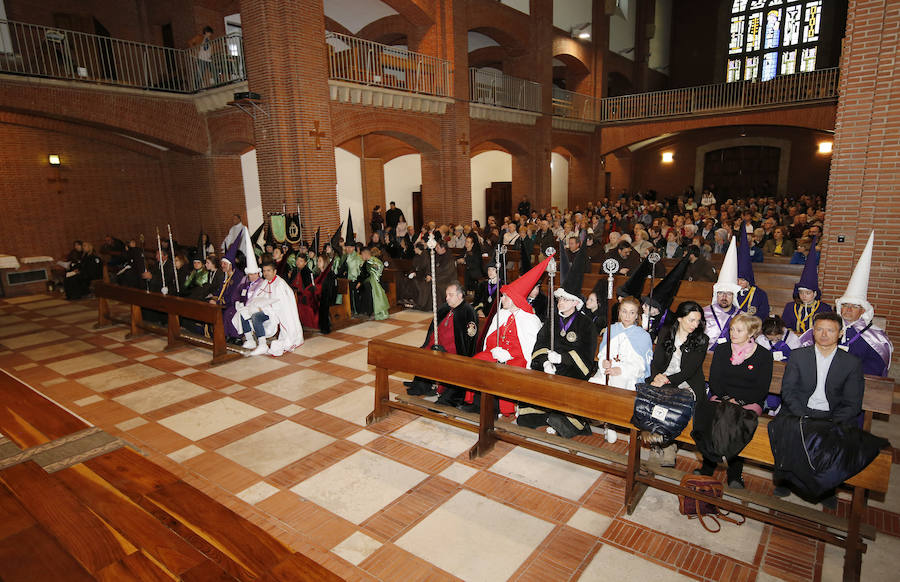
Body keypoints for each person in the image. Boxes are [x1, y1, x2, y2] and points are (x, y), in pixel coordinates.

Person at [774, 312, 865, 506]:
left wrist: (830, 421)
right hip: (800, 410)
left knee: (834, 439)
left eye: (830, 330)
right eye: (819, 329)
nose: (824, 334)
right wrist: (804, 415)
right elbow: (788, 391)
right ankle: (784, 479)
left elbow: (852, 403)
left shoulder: (851, 363)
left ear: (840, 333)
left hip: (832, 415)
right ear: (813, 331)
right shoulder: (799, 356)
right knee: (788, 429)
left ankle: (827, 489)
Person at [694, 313, 773, 489]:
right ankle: (708, 466)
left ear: (751, 333)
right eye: (731, 329)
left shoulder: (763, 355)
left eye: (739, 330)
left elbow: (762, 387)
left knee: (738, 419)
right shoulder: (722, 350)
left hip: (750, 401)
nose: (733, 333)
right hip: (723, 397)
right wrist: (728, 399)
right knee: (709, 413)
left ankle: (735, 473)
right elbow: (715, 380)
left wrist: (741, 401)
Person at [800, 231, 892, 376]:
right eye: (845, 305)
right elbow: (805, 351)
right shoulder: (826, 326)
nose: (848, 309)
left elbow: (876, 369)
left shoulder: (874, 337)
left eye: (854, 306)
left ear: (863, 310)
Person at [465, 257, 550, 415]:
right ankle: (478, 402)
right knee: (478, 361)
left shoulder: (530, 319)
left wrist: (509, 355)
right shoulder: (501, 314)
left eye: (504, 296)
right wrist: (495, 349)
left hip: (518, 357)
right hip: (498, 351)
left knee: (507, 371)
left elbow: (530, 348)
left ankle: (499, 408)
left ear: (515, 299)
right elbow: (490, 338)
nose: (501, 298)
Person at [527, 263, 598, 438]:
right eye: (559, 299)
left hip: (572, 367)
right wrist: (545, 361)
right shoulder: (551, 318)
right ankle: (545, 416)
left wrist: (562, 358)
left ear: (575, 302)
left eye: (565, 299)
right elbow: (540, 342)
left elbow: (587, 356)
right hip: (550, 364)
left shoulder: (586, 324)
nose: (560, 302)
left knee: (565, 380)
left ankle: (571, 422)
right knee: (535, 379)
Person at [645, 301, 709, 466]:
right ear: (680, 318)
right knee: (650, 397)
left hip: (687, 382)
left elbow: (689, 371)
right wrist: (656, 377)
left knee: (669, 398)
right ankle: (657, 444)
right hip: (663, 378)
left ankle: (668, 446)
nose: (695, 325)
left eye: (698, 321)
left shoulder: (701, 339)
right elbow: (656, 360)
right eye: (691, 320)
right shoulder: (666, 332)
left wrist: (664, 381)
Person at [404, 282, 479, 404]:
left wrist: (444, 350)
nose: (447, 298)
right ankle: (422, 385)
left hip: (454, 351)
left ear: (460, 296)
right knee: (422, 354)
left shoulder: (468, 312)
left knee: (444, 360)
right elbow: (434, 329)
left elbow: (467, 341)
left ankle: (448, 395)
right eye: (446, 295)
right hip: (437, 345)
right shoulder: (445, 308)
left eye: (450, 295)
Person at [235, 257, 304, 356]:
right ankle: (250, 340)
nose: (266, 273)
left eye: (268, 271)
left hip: (275, 312)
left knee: (255, 316)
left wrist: (262, 308)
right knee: (243, 312)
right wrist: (252, 306)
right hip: (265, 309)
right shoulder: (265, 282)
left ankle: (262, 345)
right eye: (264, 271)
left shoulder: (279, 284)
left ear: (275, 271)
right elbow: (257, 297)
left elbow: (281, 304)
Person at [590, 297, 653, 394]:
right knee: (594, 387)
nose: (627, 316)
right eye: (624, 311)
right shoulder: (611, 330)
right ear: (619, 312)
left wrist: (621, 370)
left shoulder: (643, 336)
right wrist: (604, 362)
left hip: (628, 377)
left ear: (637, 315)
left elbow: (641, 366)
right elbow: (602, 354)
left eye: (632, 313)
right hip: (606, 374)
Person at [781, 238, 831, 335]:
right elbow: (784, 327)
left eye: (808, 293)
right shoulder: (791, 307)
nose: (804, 296)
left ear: (815, 293)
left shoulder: (824, 309)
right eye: (801, 293)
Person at [703, 238, 741, 350]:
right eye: (721, 293)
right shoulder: (704, 313)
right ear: (716, 295)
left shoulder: (742, 316)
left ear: (734, 296)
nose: (724, 297)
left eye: (728, 294)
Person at [735, 223, 770, 319]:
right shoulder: (730, 292)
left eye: (742, 280)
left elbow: (764, 315)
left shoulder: (760, 294)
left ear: (749, 279)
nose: (738, 283)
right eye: (737, 280)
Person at [414, 239, 456, 312]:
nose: (436, 249)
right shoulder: (435, 256)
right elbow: (430, 267)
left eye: (438, 247)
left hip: (446, 281)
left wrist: (433, 278)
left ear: (443, 249)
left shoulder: (449, 259)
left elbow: (447, 274)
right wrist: (429, 275)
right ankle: (423, 305)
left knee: (435, 286)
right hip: (435, 278)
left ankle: (435, 307)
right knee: (423, 283)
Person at [353, 247, 390, 320]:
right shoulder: (368, 262)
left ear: (365, 254)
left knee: (367, 287)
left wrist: (360, 282)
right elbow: (363, 274)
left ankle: (371, 312)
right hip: (369, 282)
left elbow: (373, 275)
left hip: (377, 283)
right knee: (359, 287)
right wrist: (359, 282)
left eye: (361, 255)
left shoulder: (374, 262)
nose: (361, 257)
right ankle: (363, 311)